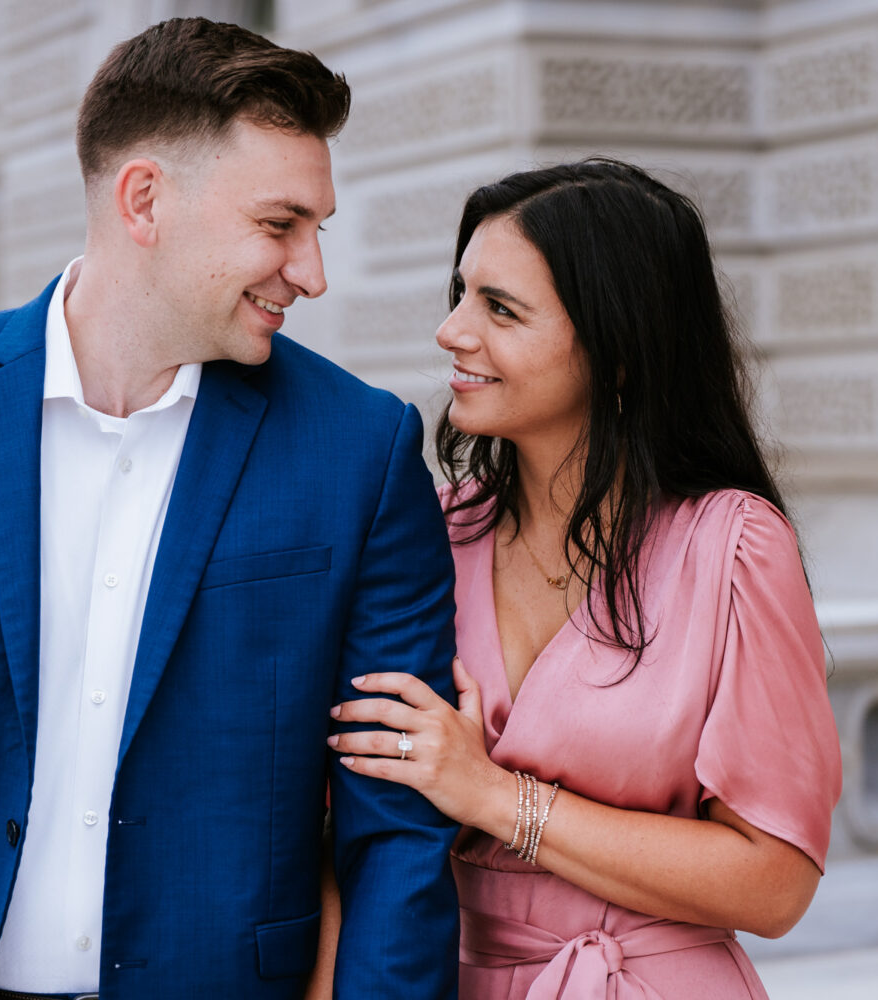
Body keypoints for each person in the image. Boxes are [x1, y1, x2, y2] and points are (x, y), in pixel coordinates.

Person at [0, 18, 461, 1000]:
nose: (312, 271)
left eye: (318, 230)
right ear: (144, 199)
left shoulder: (361, 450)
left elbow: (397, 825)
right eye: (279, 224)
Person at [326, 159, 843, 998]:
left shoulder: (732, 548)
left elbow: (775, 881)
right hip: (439, 976)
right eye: (461, 295)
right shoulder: (425, 534)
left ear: (618, 354)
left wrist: (495, 798)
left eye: (500, 309)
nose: (452, 332)